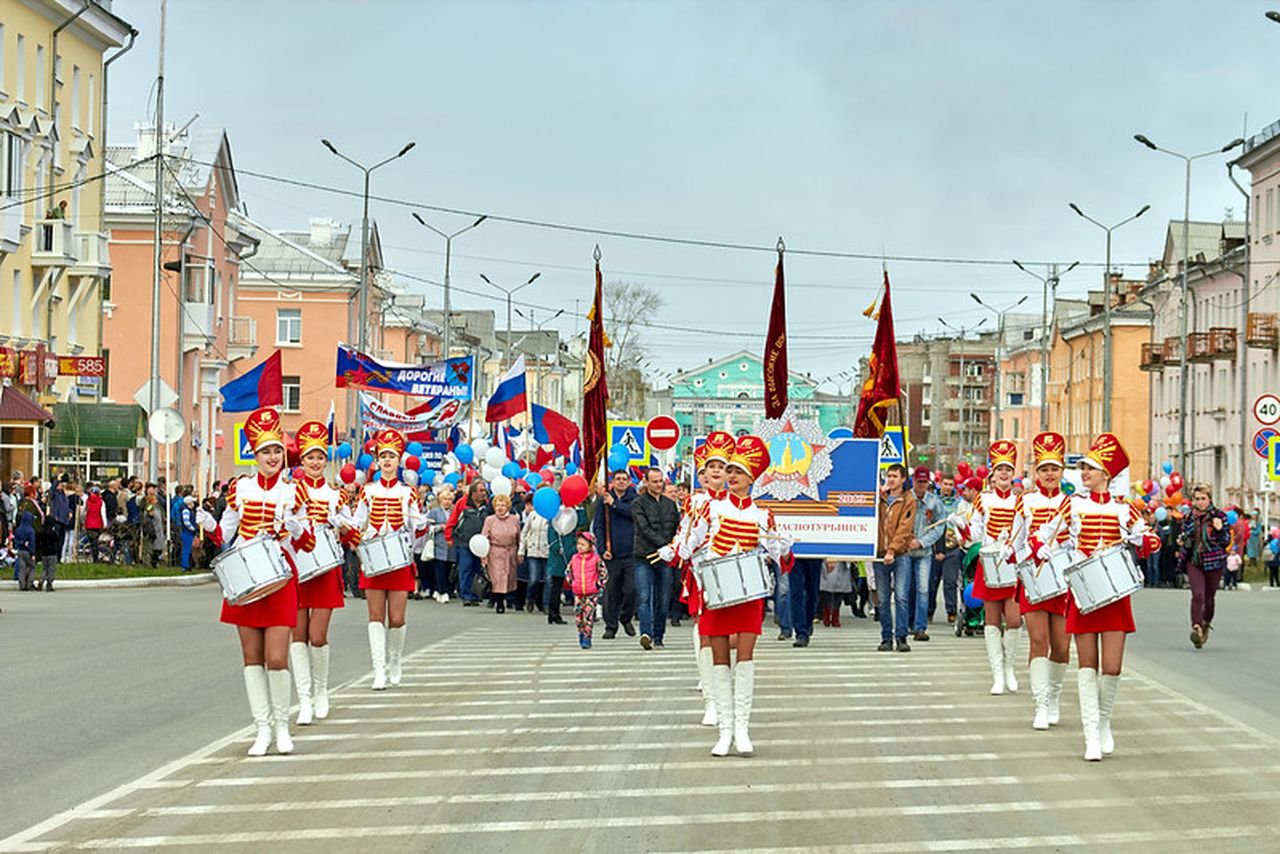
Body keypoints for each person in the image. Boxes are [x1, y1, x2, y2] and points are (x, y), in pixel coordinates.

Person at [1031, 433, 1160, 762]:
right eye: (1083, 467)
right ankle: (1091, 734)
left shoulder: (1123, 508)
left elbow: (1144, 536)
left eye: (1090, 467)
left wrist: (1148, 542)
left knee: (1113, 667)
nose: (1083, 472)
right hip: (1083, 591)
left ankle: (1104, 722)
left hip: (1115, 593)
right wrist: (1042, 548)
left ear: (1107, 474)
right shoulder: (1071, 504)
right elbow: (1043, 534)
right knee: (1087, 664)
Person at [665, 435, 793, 757]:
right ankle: (724, 731)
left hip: (748, 595)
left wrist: (784, 545)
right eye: (730, 470)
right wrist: (674, 550)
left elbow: (779, 556)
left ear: (752, 478)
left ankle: (742, 729)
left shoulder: (763, 516)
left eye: (738, 472)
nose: (732, 476)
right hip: (716, 591)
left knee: (745, 660)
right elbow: (689, 542)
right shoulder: (711, 507)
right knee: (720, 660)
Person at [198, 407, 314, 756]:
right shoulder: (240, 489)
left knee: (277, 658)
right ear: (255, 453)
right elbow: (226, 535)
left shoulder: (294, 492)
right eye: (266, 451)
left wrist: (297, 528)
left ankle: (281, 726)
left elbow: (307, 543)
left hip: (279, 578)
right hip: (246, 579)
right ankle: (261, 729)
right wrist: (207, 524)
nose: (273, 457)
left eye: (277, 450)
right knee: (252, 658)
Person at [665, 431, 733, 726]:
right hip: (702, 573)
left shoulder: (738, 503)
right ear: (703, 473)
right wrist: (673, 549)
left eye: (722, 467)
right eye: (711, 467)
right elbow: (685, 534)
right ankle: (711, 698)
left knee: (730, 636)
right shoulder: (695, 501)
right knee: (705, 630)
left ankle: (725, 691)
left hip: (730, 573)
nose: (716, 472)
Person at [351, 428, 427, 690]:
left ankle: (395, 660)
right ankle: (378, 669)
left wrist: (419, 524)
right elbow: (358, 522)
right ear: (377, 461)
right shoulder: (367, 491)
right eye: (382, 456)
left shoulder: (408, 493)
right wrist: (349, 528)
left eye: (391, 457)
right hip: (374, 558)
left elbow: (417, 525)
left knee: (396, 618)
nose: (387, 461)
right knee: (375, 616)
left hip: (399, 558)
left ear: (399, 461)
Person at [1009, 432, 1071, 730]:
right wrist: (1016, 551)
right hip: (1034, 580)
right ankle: (1041, 704)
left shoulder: (1072, 504)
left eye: (1054, 468)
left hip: (1062, 582)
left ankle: (1055, 695)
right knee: (1038, 641)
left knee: (1060, 647)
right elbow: (1016, 540)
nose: (1049, 474)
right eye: (1044, 469)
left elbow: (1078, 541)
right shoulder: (1026, 502)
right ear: (1036, 472)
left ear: (1062, 471)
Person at [288, 420, 349, 724]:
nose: (315, 462)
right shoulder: (290, 492)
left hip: (324, 568)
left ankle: (322, 690)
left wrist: (343, 525)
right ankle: (304, 699)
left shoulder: (337, 495)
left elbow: (352, 535)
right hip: (297, 566)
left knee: (317, 635)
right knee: (297, 634)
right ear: (302, 459)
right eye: (309, 457)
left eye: (320, 457)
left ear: (326, 460)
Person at [961, 440, 1023, 695]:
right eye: (1000, 469)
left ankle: (1009, 665)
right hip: (988, 565)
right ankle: (997, 674)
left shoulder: (1022, 501)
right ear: (993, 473)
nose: (1004, 473)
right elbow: (975, 533)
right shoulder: (982, 499)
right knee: (992, 620)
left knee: (1015, 620)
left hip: (1011, 563)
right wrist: (962, 528)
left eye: (1008, 469)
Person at [632, 466, 680, 650]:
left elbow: (677, 527)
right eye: (655, 481)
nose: (659, 484)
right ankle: (646, 633)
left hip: (665, 558)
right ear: (646, 482)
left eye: (661, 481)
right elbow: (644, 529)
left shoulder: (670, 504)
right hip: (643, 556)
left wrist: (673, 546)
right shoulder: (638, 503)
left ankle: (659, 635)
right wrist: (663, 544)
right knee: (644, 596)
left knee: (663, 598)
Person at [1178, 483, 1230, 650]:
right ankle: (1196, 627)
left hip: (1213, 561)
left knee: (1209, 598)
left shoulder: (1219, 516)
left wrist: (1220, 529)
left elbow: (1225, 541)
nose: (1200, 502)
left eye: (1203, 499)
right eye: (1197, 499)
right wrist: (1182, 540)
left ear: (1209, 499)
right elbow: (1183, 535)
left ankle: (1206, 623)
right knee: (1197, 595)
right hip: (1194, 561)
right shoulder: (1188, 517)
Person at [876, 463, 917, 652]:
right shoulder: (880, 498)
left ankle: (901, 637)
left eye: (894, 476)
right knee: (883, 599)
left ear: (902, 479)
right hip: (880, 554)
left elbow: (904, 528)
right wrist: (878, 495)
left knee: (901, 597)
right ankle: (886, 637)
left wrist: (892, 550)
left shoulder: (909, 500)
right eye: (888, 476)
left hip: (900, 555)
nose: (890, 479)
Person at [594, 469, 638, 639]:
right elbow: (599, 526)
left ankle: (626, 617)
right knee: (611, 591)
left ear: (628, 482)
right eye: (618, 479)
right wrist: (602, 548)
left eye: (624, 479)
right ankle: (610, 626)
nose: (621, 482)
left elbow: (633, 514)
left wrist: (615, 504)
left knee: (631, 589)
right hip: (611, 554)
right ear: (612, 481)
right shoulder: (603, 501)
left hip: (631, 553)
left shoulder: (634, 499)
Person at [905, 466, 944, 640]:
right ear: (913, 481)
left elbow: (940, 526)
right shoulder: (905, 498)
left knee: (923, 589)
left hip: (924, 553)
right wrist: (905, 541)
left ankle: (920, 627)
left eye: (924, 482)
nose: (921, 485)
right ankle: (906, 624)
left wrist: (921, 542)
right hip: (905, 552)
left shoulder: (934, 502)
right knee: (905, 590)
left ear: (928, 482)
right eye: (918, 481)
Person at [448, 480, 492, 606]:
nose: (484, 493)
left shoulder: (487, 505)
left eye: (485, 490)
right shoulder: (462, 503)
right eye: (481, 491)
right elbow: (453, 520)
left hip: (481, 544)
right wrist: (448, 537)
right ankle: (466, 595)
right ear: (473, 492)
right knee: (465, 567)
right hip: (464, 542)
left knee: (477, 569)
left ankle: (475, 594)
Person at [481, 493, 521, 614]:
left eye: (503, 505)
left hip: (511, 551)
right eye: (498, 505)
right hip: (495, 551)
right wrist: (484, 555)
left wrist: (520, 552)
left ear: (508, 506)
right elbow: (484, 538)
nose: (500, 508)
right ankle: (499, 603)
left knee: (509, 577)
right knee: (497, 577)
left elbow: (519, 536)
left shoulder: (514, 519)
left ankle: (506, 598)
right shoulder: (490, 520)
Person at [932, 473, 963, 624]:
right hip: (934, 546)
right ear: (940, 484)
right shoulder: (932, 500)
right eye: (945, 484)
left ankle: (951, 611)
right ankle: (928, 611)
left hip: (952, 547)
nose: (948, 487)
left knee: (950, 581)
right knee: (932, 582)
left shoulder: (958, 503)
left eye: (951, 485)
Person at [566, 531, 606, 648]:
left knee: (588, 615)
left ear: (590, 545)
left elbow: (604, 573)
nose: (580, 546)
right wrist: (571, 582)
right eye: (578, 544)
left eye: (583, 544)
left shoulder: (596, 559)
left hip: (591, 593)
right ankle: (581, 632)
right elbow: (568, 571)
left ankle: (587, 637)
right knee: (579, 616)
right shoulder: (574, 559)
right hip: (578, 593)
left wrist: (598, 585)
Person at [518, 498, 550, 613]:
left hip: (547, 551)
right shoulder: (533, 515)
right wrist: (521, 551)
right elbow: (524, 533)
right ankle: (530, 599)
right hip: (533, 551)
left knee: (548, 579)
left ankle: (546, 604)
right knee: (534, 579)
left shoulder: (553, 515)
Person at [425, 487, 454, 603]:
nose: (447, 501)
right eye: (445, 499)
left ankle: (438, 589)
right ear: (440, 500)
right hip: (438, 543)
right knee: (439, 568)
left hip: (451, 544)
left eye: (449, 499)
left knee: (447, 568)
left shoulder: (454, 512)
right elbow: (428, 527)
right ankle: (443, 592)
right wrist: (440, 527)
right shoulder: (434, 512)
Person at [819, 560, 853, 626]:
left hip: (843, 562)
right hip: (828, 561)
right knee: (827, 591)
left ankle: (835, 616)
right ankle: (827, 615)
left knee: (839, 592)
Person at [179, 495, 199, 571]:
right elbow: (186, 522)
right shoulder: (186, 511)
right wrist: (193, 528)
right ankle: (185, 566)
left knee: (187, 549)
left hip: (188, 532)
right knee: (186, 549)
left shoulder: (187, 511)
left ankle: (187, 564)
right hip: (187, 532)